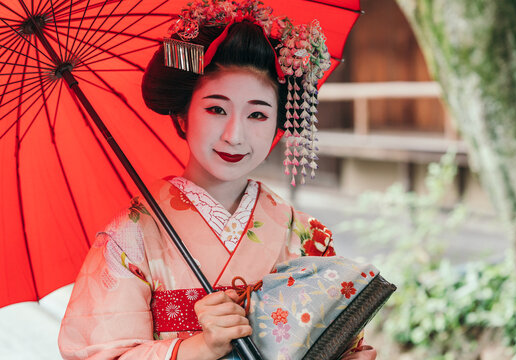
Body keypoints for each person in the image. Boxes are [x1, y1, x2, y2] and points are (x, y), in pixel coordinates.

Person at [58, 1, 377, 359]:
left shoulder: (306, 237)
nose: (234, 134)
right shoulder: (130, 238)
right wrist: (199, 347)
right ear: (182, 114)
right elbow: (99, 354)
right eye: (216, 109)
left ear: (278, 123)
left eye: (257, 114)